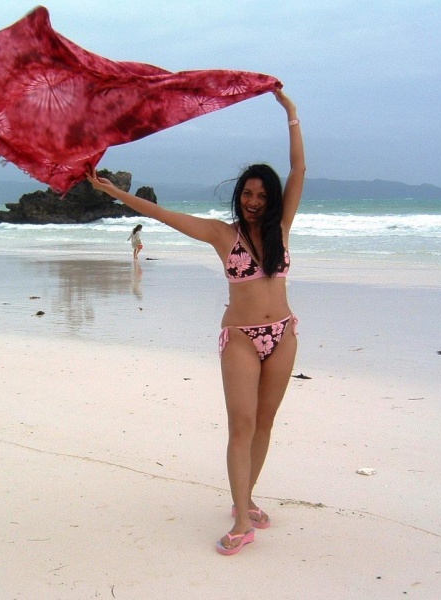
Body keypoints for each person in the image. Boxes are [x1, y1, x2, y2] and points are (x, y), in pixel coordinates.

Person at [87, 88, 305, 556]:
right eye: (246, 193)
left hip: (283, 334)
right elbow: (163, 215)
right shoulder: (221, 234)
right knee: (241, 426)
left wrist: (291, 114)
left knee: (265, 424)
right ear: (238, 196)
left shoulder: (282, 226)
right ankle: (242, 521)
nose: (253, 201)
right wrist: (114, 192)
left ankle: (245, 500)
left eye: (261, 195)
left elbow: (300, 171)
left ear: (272, 200)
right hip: (242, 339)